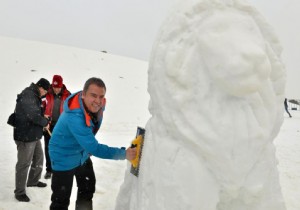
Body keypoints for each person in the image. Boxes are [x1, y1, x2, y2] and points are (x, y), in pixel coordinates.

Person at [49, 77, 137, 210]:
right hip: (63, 156)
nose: (98, 101)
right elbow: (94, 148)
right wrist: (124, 153)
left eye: (101, 96)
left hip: (81, 153)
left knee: (87, 188)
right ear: (83, 94)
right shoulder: (74, 118)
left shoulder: (95, 105)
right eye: (93, 95)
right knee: (60, 201)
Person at [13, 78, 51, 202]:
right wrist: (45, 121)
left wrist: (43, 117)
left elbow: (34, 113)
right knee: (24, 164)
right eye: (45, 90)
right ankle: (19, 192)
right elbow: (33, 116)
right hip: (25, 136)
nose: (45, 93)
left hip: (33, 134)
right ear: (40, 87)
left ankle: (33, 181)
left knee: (39, 157)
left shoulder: (34, 95)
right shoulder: (28, 94)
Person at [43, 75, 71, 179]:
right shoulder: (47, 94)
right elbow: (41, 107)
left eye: (58, 87)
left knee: (60, 147)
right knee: (48, 148)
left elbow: (71, 111)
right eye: (54, 87)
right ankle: (49, 169)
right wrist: (43, 119)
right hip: (48, 125)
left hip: (61, 127)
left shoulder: (68, 95)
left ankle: (59, 168)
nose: (56, 89)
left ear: (61, 85)